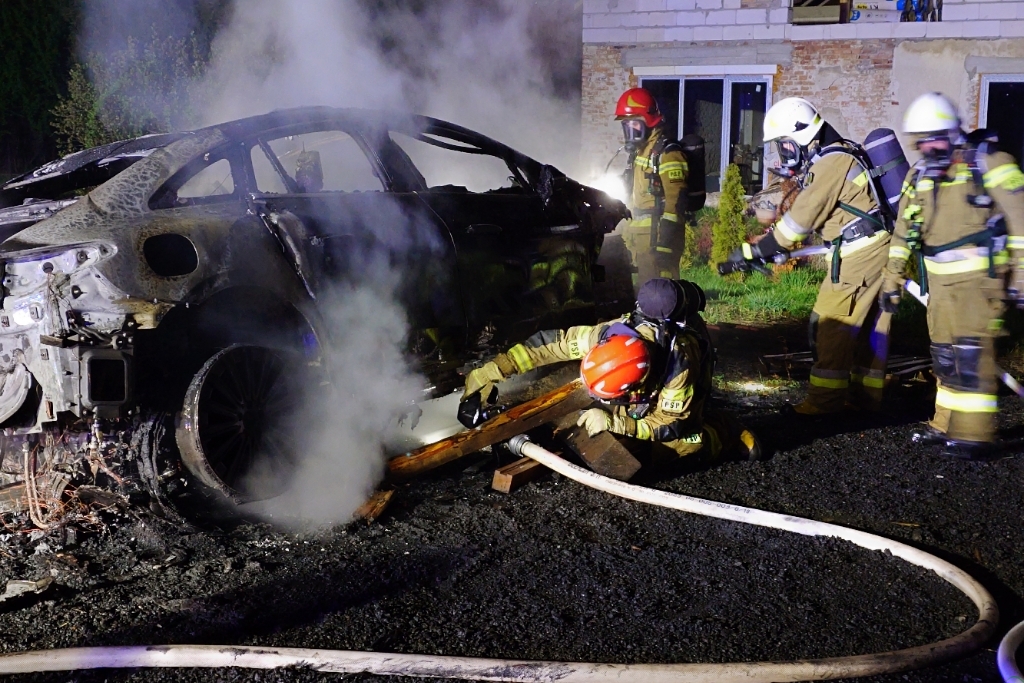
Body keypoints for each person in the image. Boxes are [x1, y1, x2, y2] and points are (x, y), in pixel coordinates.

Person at [458, 278, 761, 468]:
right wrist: (488, 373)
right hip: (641, 389)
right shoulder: (610, 334)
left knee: (679, 449)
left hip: (679, 406)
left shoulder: (679, 364)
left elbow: (670, 423)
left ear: (638, 383)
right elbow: (552, 344)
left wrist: (618, 423)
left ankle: (726, 430)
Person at [724, 97, 892, 415]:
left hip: (859, 257)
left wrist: (753, 250)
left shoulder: (830, 163)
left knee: (830, 325)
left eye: (785, 146)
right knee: (870, 329)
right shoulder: (841, 152)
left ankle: (824, 404)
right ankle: (864, 400)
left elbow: (797, 224)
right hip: (872, 250)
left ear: (801, 136)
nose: (784, 155)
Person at [881, 92, 1024, 460]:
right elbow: (904, 232)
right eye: (922, 141)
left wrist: (1021, 278)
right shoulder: (920, 175)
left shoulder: (990, 162)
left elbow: (1020, 219)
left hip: (981, 283)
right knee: (945, 357)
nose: (929, 147)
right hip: (940, 285)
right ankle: (945, 424)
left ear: (952, 130)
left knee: (971, 357)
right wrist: (891, 280)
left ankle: (975, 436)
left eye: (935, 137)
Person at [615, 88, 689, 291]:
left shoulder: (668, 153)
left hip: (659, 237)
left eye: (635, 125)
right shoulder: (642, 153)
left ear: (649, 121)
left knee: (661, 292)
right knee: (645, 293)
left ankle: (675, 323)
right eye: (626, 126)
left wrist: (665, 243)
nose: (630, 132)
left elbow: (676, 200)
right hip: (643, 239)